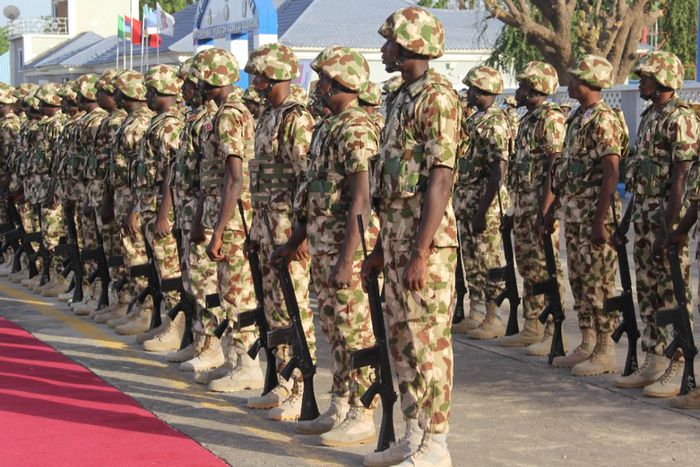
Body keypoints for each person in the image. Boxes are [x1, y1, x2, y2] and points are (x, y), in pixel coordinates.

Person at [362, 7, 461, 466]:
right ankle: (414, 433)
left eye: (390, 43)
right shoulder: (401, 98)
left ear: (409, 47)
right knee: (401, 341)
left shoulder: (436, 98)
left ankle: (436, 445)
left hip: (427, 247)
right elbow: (390, 188)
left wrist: (420, 252)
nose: (384, 50)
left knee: (428, 344)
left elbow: (439, 180)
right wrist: (384, 249)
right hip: (398, 242)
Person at [274, 45, 380, 445]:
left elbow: (362, 197)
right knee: (334, 329)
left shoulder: (355, 128)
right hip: (323, 246)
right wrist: (294, 241)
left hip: (345, 250)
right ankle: (340, 401)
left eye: (323, 79)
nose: (317, 85)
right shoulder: (327, 127)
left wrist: (348, 258)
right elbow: (314, 195)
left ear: (341, 83)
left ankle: (363, 409)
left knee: (355, 330)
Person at [614, 51, 698, 396]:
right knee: (648, 289)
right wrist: (626, 221)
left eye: (646, 78)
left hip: (666, 218)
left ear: (664, 81)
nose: (641, 83)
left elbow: (680, 178)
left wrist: (671, 229)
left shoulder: (681, 119)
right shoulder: (651, 117)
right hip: (645, 217)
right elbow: (640, 179)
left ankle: (678, 362)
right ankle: (654, 357)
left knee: (671, 292)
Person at [242, 42, 316, 417]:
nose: (253, 80)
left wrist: (300, 232)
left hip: (288, 231)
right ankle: (284, 382)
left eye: (258, 73)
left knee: (295, 307)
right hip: (266, 229)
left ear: (274, 74)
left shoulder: (296, 118)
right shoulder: (267, 116)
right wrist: (255, 232)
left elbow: (306, 177)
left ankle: (304, 388)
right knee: (273, 309)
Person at [549, 55, 626, 376]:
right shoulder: (577, 118)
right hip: (575, 212)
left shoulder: (603, 120)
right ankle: (587, 341)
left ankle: (605, 348)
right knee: (580, 279)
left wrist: (600, 220)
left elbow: (611, 171)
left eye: (574, 78)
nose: (568, 83)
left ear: (588, 82)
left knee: (599, 281)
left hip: (596, 214)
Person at [498, 61, 567, 352]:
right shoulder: (528, 119)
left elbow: (554, 167)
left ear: (538, 88)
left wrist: (545, 211)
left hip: (540, 207)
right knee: (528, 266)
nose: (520, 91)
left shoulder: (551, 119)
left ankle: (553, 328)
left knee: (546, 266)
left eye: (525, 86)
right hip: (524, 205)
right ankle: (532, 325)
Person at [452, 65, 511, 340]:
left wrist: (483, 210)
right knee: (472, 260)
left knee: (489, 261)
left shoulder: (495, 122)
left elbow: (498, 170)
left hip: (484, 205)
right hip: (467, 201)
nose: (470, 93)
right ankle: (476, 311)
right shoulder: (476, 120)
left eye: (474, 89)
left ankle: (493, 315)